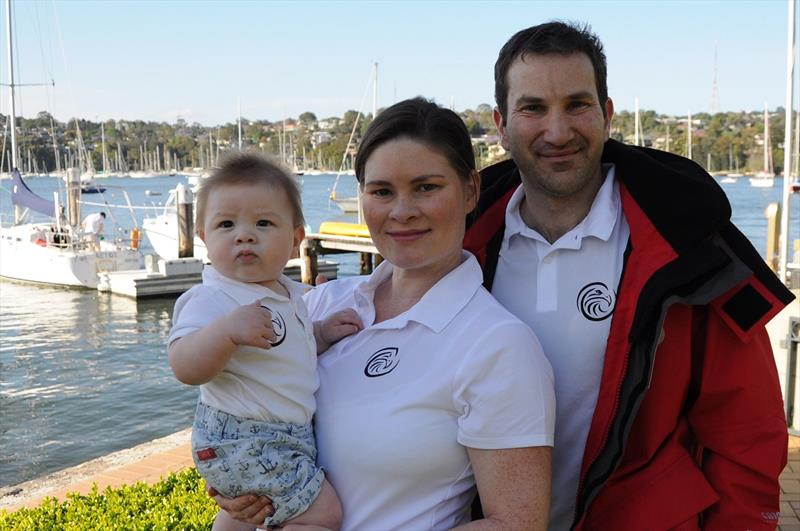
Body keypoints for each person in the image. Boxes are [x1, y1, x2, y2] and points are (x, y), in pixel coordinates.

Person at [463, 21, 795, 529]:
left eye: (577, 104)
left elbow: (744, 426)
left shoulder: (690, 245)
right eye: (533, 108)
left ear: (608, 114)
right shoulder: (460, 244)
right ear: (501, 123)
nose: (557, 131)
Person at [214, 98, 556, 530]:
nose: (402, 211)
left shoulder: (497, 345)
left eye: (426, 187)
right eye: (381, 191)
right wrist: (235, 475)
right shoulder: (318, 305)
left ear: (471, 190)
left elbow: (517, 524)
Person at [168, 153, 361, 531]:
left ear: (295, 240)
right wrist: (224, 333)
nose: (244, 234)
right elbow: (183, 366)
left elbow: (291, 352)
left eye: (263, 222)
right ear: (205, 239)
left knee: (247, 512)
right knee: (322, 514)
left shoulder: (288, 295)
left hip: (274, 436)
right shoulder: (213, 299)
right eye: (226, 224)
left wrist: (321, 332)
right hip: (247, 435)